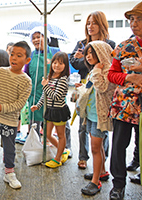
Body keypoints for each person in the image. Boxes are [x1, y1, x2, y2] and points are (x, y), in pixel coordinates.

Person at [0, 41, 32, 197]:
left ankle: (9, 172)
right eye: (12, 54)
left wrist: (3, 108)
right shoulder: (0, 72)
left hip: (10, 120)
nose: (14, 58)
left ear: (27, 60)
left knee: (10, 149)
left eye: (19, 55)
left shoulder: (26, 81)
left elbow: (20, 104)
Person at [69, 11, 115, 169]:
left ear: (101, 24)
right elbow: (74, 62)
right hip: (84, 86)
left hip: (103, 88)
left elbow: (109, 65)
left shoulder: (110, 44)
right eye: (88, 23)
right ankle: (83, 156)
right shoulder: (82, 43)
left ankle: (102, 160)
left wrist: (85, 61)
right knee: (83, 125)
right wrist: (90, 63)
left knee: (101, 126)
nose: (90, 26)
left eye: (94, 23)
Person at [108, 2, 142, 199]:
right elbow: (112, 74)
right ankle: (118, 184)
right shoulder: (123, 46)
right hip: (124, 104)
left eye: (139, 18)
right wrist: (129, 77)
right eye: (132, 19)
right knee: (119, 144)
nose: (134, 23)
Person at [22, 30, 72, 158]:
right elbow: (26, 73)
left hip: (55, 95)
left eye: (39, 37)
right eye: (33, 38)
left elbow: (65, 68)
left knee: (61, 126)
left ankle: (66, 148)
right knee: (35, 124)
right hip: (36, 93)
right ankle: (37, 150)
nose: (36, 40)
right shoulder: (31, 55)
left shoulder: (55, 51)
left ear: (46, 38)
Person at [77, 41, 116, 196]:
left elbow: (102, 87)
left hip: (100, 116)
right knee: (98, 147)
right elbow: (91, 89)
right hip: (92, 114)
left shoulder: (105, 70)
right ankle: (102, 171)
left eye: (93, 52)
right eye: (87, 53)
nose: (89, 56)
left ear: (102, 52)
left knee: (94, 148)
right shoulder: (95, 69)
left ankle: (95, 181)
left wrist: (97, 72)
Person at [31, 52, 71, 168]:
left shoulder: (63, 80)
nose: (57, 65)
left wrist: (45, 86)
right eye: (55, 62)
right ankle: (62, 150)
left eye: (60, 63)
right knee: (47, 134)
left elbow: (56, 96)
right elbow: (45, 95)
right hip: (49, 110)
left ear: (65, 66)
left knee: (61, 135)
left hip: (59, 111)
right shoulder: (50, 78)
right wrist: (38, 106)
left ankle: (58, 158)